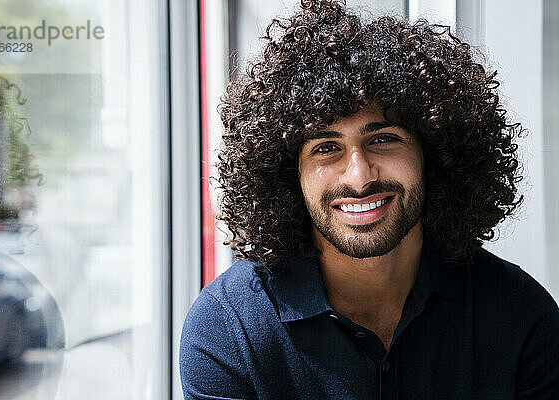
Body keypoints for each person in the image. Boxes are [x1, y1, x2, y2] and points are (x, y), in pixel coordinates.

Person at [179, 1, 559, 399]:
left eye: (382, 139)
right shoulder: (228, 328)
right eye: (326, 147)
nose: (359, 177)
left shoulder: (519, 314)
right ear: (289, 174)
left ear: (434, 154)